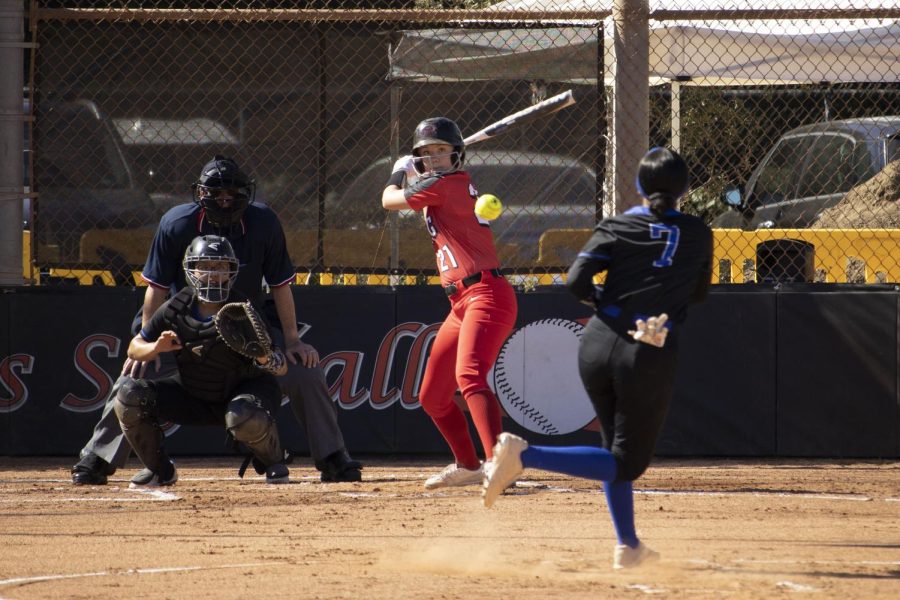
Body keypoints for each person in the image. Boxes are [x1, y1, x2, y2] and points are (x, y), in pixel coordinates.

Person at [482, 147, 713, 570]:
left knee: (612, 450)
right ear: (686, 190)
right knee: (626, 461)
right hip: (647, 349)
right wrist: (654, 309)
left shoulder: (619, 224)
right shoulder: (698, 232)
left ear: (640, 187)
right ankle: (525, 456)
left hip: (597, 342)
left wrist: (610, 305)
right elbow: (697, 294)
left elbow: (575, 282)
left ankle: (628, 546)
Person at [71, 155, 362, 485]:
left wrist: (292, 340)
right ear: (200, 195)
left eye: (232, 195)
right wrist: (148, 344)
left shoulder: (263, 223)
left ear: (245, 195)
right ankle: (98, 455)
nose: (225, 201)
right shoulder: (177, 224)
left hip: (244, 329)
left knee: (304, 370)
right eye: (217, 195)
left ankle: (333, 456)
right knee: (134, 373)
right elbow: (157, 288)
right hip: (184, 328)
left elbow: (281, 286)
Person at [381, 117, 518, 489]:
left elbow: (388, 200)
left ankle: (498, 463)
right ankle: (469, 465)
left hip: (486, 295)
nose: (435, 157)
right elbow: (418, 194)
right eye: (427, 152)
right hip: (461, 303)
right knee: (432, 396)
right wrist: (415, 170)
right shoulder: (438, 183)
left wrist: (398, 171)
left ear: (457, 154)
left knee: (469, 377)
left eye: (442, 150)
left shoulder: (449, 183)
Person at [115, 235, 290, 486]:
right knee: (129, 395)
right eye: (205, 266)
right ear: (191, 270)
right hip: (194, 392)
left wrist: (263, 358)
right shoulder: (176, 307)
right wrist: (156, 347)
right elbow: (134, 348)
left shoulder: (242, 308)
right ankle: (159, 469)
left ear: (231, 272)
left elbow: (281, 366)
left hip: (243, 393)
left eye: (220, 267)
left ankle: (273, 460)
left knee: (244, 414)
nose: (213, 273)